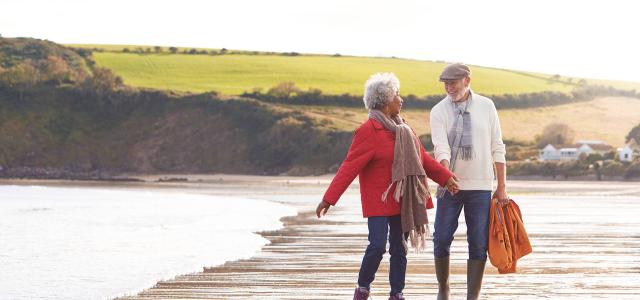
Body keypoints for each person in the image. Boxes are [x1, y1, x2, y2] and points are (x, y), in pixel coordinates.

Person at [316, 72, 459, 300]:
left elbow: (424, 161)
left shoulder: (406, 131)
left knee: (399, 247)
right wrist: (328, 199)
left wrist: (446, 178)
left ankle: (397, 293)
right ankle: (362, 288)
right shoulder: (368, 131)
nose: (401, 100)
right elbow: (349, 166)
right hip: (378, 201)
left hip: (403, 200)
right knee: (377, 245)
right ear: (384, 101)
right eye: (397, 95)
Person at [429, 63, 508, 300]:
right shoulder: (438, 111)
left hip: (481, 187)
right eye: (445, 83)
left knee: (478, 243)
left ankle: (472, 296)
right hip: (449, 186)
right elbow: (440, 147)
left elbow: (497, 146)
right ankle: (444, 288)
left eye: (453, 82)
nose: (449, 87)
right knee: (441, 238)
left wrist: (501, 187)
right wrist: (446, 176)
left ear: (467, 81)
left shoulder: (487, 106)